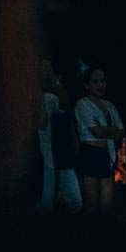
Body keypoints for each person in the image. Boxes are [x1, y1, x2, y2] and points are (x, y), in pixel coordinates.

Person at [74, 64, 124, 214]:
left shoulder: (109, 105)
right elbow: (97, 132)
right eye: (95, 82)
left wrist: (106, 131)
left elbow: (121, 131)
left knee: (107, 205)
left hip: (107, 154)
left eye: (102, 81)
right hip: (90, 154)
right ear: (87, 85)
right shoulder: (83, 104)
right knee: (92, 205)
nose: (100, 85)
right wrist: (111, 130)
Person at [36, 58, 82, 213]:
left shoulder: (52, 94)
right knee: (53, 173)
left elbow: (44, 123)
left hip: (56, 144)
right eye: (43, 67)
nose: (44, 70)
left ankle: (55, 203)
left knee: (57, 173)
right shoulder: (52, 92)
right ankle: (51, 203)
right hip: (55, 144)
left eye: (47, 67)